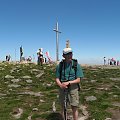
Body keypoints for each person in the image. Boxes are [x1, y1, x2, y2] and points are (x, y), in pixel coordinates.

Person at [55, 47, 84, 120]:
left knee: (74, 106)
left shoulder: (76, 65)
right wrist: (61, 85)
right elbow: (57, 78)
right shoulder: (60, 66)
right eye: (67, 54)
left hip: (73, 88)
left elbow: (78, 80)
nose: (70, 55)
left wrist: (69, 82)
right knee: (63, 107)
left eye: (70, 54)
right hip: (62, 88)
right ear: (63, 56)